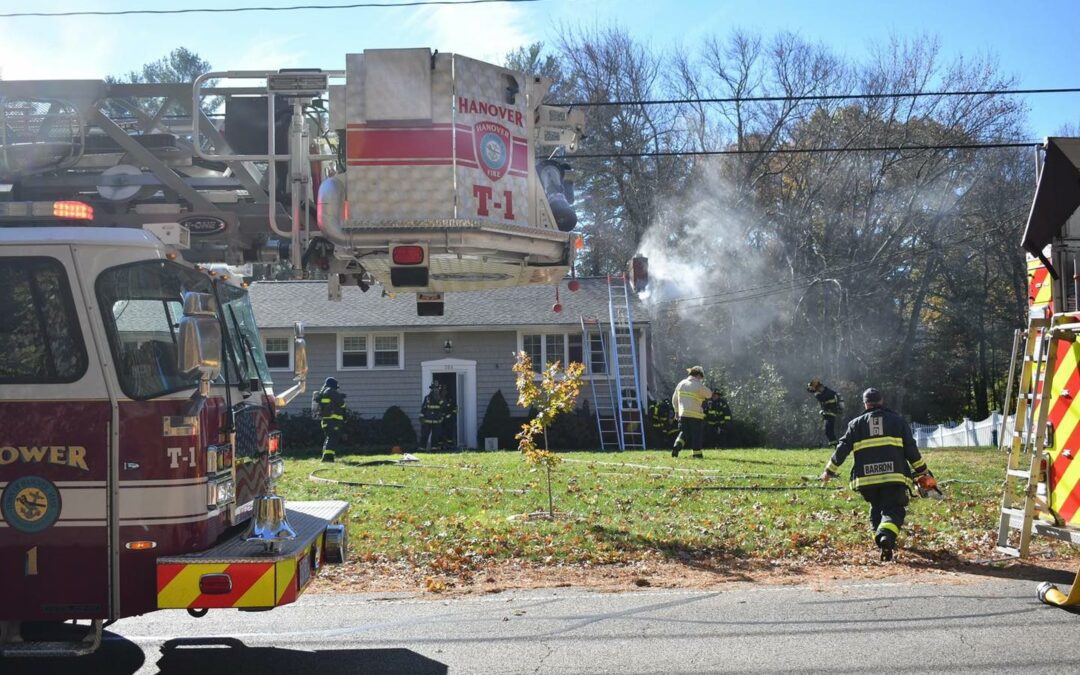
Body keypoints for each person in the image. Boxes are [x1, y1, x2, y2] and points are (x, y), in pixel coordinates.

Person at [819, 387, 933, 561]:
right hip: (893, 478)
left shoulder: (855, 424)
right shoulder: (898, 422)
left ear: (865, 404)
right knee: (894, 510)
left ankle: (879, 539)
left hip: (866, 480)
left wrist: (828, 471)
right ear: (882, 401)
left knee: (876, 508)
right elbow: (911, 450)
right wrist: (923, 471)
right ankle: (886, 535)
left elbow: (842, 449)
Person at [671, 366, 712, 459]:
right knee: (696, 435)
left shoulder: (681, 384)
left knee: (684, 432)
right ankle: (697, 454)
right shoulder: (698, 385)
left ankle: (676, 446)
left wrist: (676, 411)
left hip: (683, 414)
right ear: (698, 375)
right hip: (696, 415)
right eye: (701, 377)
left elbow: (674, 399)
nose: (701, 379)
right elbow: (709, 394)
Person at [314, 377, 347, 463]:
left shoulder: (324, 392)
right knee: (333, 437)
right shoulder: (331, 391)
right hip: (333, 421)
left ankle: (326, 456)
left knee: (329, 438)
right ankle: (328, 458)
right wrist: (341, 397)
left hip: (326, 421)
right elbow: (342, 404)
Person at [807, 378, 843, 443]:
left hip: (830, 414)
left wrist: (816, 392)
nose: (812, 390)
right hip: (828, 413)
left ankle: (835, 445)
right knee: (828, 431)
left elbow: (823, 399)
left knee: (828, 431)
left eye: (812, 388)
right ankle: (834, 444)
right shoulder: (825, 392)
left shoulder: (823, 394)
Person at [419, 382, 443, 451]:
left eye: (437, 388)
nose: (436, 390)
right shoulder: (427, 398)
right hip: (427, 420)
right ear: (431, 389)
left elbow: (443, 408)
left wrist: (439, 400)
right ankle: (422, 449)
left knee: (435, 435)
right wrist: (421, 417)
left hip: (437, 420)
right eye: (434, 388)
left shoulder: (441, 398)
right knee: (424, 435)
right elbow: (423, 408)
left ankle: (434, 449)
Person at [439, 385, 457, 451]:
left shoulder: (450, 398)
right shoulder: (438, 398)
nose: (444, 392)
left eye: (445, 390)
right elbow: (437, 407)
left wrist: (450, 414)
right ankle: (440, 446)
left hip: (449, 419)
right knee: (440, 432)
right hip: (441, 418)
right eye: (443, 390)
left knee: (449, 432)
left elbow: (454, 408)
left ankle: (450, 446)